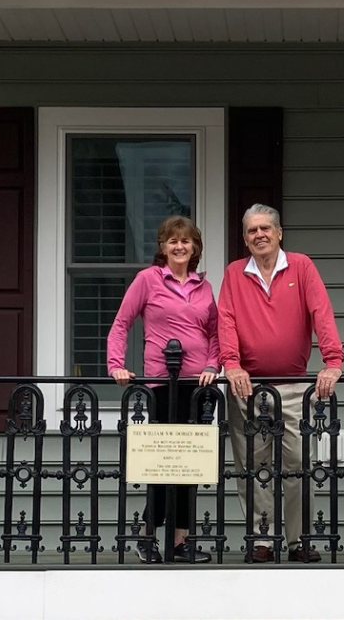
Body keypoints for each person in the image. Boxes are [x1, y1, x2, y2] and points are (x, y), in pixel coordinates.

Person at [217, 203, 344, 563]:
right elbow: (225, 320)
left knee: (297, 464)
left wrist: (332, 362)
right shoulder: (234, 273)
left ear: (279, 232)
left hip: (293, 386)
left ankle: (297, 540)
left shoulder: (301, 266)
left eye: (265, 228)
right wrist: (232, 364)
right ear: (244, 238)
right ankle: (262, 540)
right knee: (253, 467)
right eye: (252, 230)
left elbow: (322, 312)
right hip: (247, 387)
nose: (259, 235)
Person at [107, 215, 219, 564]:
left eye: (186, 241)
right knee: (161, 465)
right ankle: (148, 536)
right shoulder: (148, 280)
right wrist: (116, 365)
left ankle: (181, 541)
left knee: (191, 466)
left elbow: (216, 334)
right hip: (161, 385)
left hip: (198, 387)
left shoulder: (204, 287)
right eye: (173, 241)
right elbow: (121, 323)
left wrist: (213, 366)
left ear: (195, 248)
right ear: (163, 247)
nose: (179, 246)